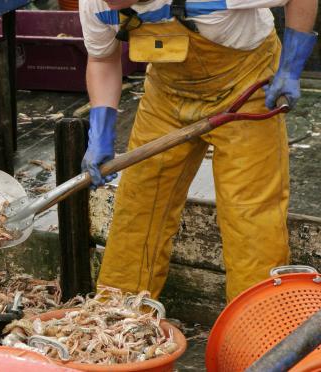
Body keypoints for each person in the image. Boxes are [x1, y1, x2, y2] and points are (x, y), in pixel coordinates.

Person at [79, 0, 318, 302]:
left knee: (250, 215)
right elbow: (102, 59)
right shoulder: (95, 4)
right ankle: (118, 321)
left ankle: (258, 327)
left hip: (246, 85)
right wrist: (100, 132)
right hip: (167, 93)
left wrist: (291, 66)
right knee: (139, 201)